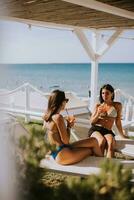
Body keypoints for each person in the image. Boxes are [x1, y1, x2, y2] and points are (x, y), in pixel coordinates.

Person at [43, 89, 103, 165]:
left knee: (93, 140)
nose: (66, 103)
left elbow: (45, 137)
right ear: (61, 102)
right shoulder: (58, 117)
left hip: (56, 151)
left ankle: (104, 167)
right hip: (61, 154)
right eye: (65, 101)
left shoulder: (46, 116)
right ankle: (104, 169)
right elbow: (66, 141)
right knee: (92, 149)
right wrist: (68, 127)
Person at [88, 84, 127, 158]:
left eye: (107, 93)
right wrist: (98, 114)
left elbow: (118, 121)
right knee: (102, 141)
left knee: (111, 144)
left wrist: (122, 135)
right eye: (103, 93)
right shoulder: (98, 106)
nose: (104, 95)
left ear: (112, 94)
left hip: (108, 131)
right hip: (96, 129)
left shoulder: (117, 105)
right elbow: (91, 122)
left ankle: (107, 167)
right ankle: (98, 165)